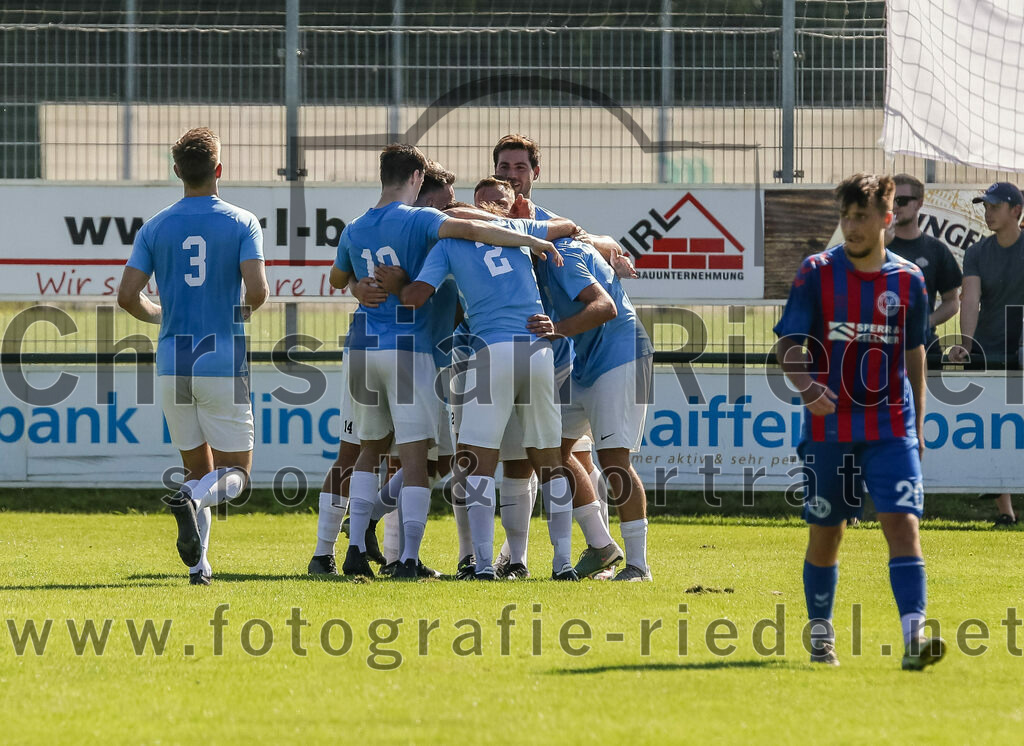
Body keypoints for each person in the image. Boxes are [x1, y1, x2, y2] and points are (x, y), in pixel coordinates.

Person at [331, 143, 559, 579]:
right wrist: (530, 237)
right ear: (416, 179)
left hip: (365, 351)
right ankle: (409, 560)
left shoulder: (356, 226)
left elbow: (338, 277)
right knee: (418, 461)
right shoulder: (423, 220)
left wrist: (360, 288)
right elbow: (476, 233)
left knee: (368, 454)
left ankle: (355, 547)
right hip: (411, 352)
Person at [774, 172, 944, 670]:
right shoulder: (816, 272)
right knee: (827, 532)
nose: (851, 226)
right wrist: (808, 388)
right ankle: (821, 637)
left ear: (887, 219)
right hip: (829, 430)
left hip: (891, 426)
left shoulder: (909, 280)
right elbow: (788, 344)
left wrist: (917, 424)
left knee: (903, 525)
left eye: (862, 217)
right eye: (846, 217)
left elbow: (915, 353)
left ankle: (915, 638)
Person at [117, 127, 268, 586]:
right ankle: (195, 503)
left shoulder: (156, 226)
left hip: (172, 361)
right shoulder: (242, 222)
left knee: (196, 472)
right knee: (236, 476)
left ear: (177, 171)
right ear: (218, 170)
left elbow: (127, 297)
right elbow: (258, 292)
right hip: (222, 360)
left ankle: (199, 568)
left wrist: (163, 313)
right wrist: (231, 313)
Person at [392, 220, 584, 580]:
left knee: (477, 460)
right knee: (549, 460)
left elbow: (415, 297)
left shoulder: (448, 243)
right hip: (539, 352)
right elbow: (568, 225)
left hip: (491, 351)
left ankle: (481, 565)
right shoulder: (517, 226)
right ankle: (564, 563)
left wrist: (398, 283)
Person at [532, 237, 655, 581]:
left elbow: (605, 307)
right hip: (585, 364)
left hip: (621, 355)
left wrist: (556, 330)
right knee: (548, 450)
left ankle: (638, 566)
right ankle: (602, 545)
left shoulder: (561, 253)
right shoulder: (540, 255)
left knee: (615, 460)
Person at [949, 181, 1024, 526]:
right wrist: (967, 343)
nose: (987, 212)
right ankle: (1006, 513)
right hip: (991, 347)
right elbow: (970, 300)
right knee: (997, 429)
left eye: (995, 206)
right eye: (985, 206)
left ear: (1016, 211)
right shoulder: (978, 251)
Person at [887, 174, 962, 357]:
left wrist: (926, 322)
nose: (895, 206)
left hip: (923, 347)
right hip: (878, 348)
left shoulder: (936, 250)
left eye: (902, 200)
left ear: (919, 203)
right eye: (890, 201)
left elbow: (952, 301)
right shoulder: (875, 247)